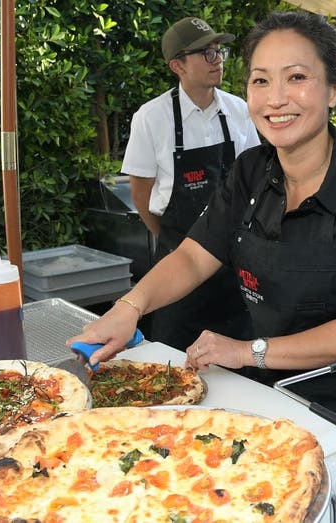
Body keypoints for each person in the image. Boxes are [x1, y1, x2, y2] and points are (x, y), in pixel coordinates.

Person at [69, 10, 336, 449]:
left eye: (295, 78)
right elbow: (196, 254)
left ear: (335, 89)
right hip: (269, 401)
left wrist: (246, 350)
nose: (275, 99)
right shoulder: (250, 172)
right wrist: (129, 307)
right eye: (260, 80)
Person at [121, 16, 261, 351]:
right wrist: (172, 238)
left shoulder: (239, 110)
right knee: (171, 365)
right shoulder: (151, 118)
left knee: (239, 363)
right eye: (206, 54)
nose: (218, 60)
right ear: (177, 66)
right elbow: (141, 194)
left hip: (235, 268)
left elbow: (255, 181)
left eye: (218, 51)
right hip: (176, 269)